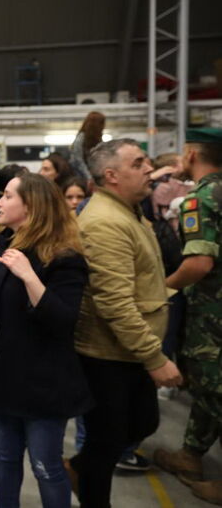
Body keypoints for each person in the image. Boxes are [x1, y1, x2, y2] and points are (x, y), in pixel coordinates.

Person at [0, 174, 91, 508]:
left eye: (7, 196)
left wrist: (29, 277)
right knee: (5, 459)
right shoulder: (4, 244)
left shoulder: (64, 258)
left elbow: (63, 320)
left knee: (46, 467)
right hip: (1, 381)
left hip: (43, 388)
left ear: (31, 205)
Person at [67, 138, 182, 508]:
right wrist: (154, 357)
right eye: (138, 163)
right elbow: (114, 302)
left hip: (127, 349)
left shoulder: (129, 211)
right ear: (112, 175)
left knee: (139, 425)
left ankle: (78, 469)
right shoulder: (105, 222)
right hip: (108, 353)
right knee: (107, 441)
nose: (149, 169)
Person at [154, 128, 222, 504]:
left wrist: (163, 288)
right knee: (210, 387)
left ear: (192, 155)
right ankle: (190, 454)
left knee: (213, 385)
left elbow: (198, 263)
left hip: (213, 315)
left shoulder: (200, 198)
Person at [70, 111, 105, 185]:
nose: (103, 126)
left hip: (92, 176)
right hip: (80, 177)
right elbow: (78, 161)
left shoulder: (98, 139)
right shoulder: (80, 138)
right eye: (101, 123)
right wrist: (89, 177)